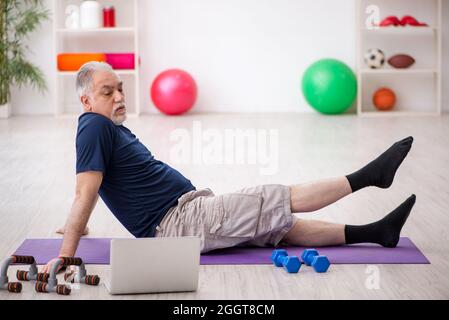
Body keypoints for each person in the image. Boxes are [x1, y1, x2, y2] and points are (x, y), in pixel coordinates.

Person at [42, 62, 416, 273]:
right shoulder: (93, 125)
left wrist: (80, 222)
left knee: (278, 227)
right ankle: (371, 176)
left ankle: (376, 231)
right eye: (108, 92)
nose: (119, 96)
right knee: (273, 198)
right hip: (181, 223)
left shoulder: (104, 127)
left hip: (186, 217)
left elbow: (92, 185)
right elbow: (84, 190)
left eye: (120, 87)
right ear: (86, 100)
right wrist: (66, 252)